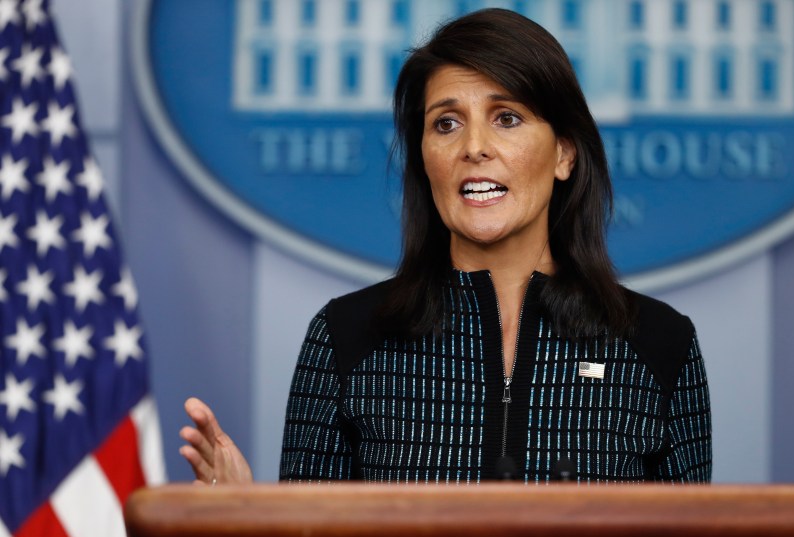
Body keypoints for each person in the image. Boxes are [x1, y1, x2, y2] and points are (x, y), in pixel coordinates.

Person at [180, 8, 711, 485]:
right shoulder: (346, 337)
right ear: (425, 159)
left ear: (564, 155)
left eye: (507, 118)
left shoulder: (659, 343)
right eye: (446, 123)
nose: (474, 148)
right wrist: (244, 519)